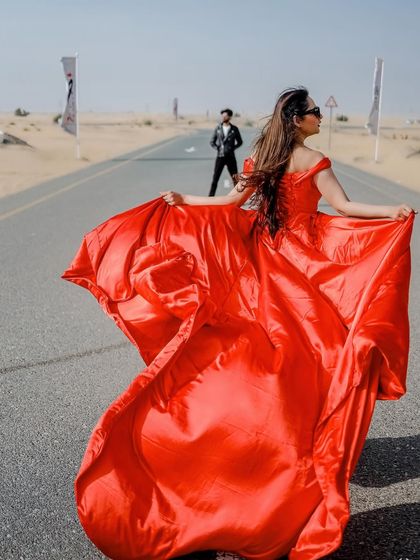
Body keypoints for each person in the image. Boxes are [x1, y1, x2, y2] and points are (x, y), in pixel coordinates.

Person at [61, 87, 416, 560]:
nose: (320, 119)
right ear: (297, 118)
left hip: (258, 259)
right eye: (314, 113)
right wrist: (393, 212)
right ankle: (289, 454)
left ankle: (242, 448)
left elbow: (229, 204)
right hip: (298, 265)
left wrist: (183, 198)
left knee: (248, 353)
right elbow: (346, 209)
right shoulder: (314, 160)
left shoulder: (261, 158)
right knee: (322, 352)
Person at [209, 108, 243, 196]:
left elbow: (240, 142)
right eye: (222, 116)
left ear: (230, 117)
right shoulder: (218, 128)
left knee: (235, 178)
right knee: (215, 178)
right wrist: (218, 148)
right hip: (220, 156)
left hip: (231, 157)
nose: (223, 117)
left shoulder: (234, 129)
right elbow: (212, 141)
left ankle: (238, 196)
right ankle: (210, 196)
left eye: (225, 116)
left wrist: (232, 148)